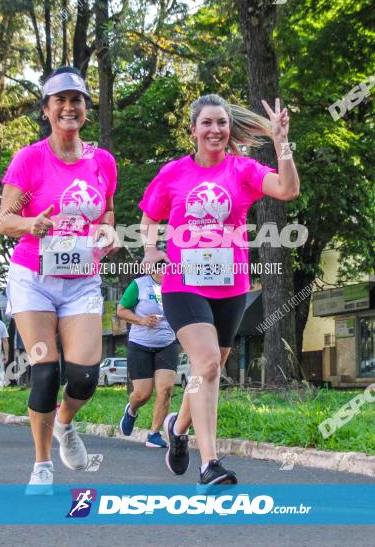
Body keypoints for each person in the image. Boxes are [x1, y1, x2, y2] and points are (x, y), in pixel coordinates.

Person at [138, 93, 299, 489]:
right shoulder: (173, 173)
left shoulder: (243, 169)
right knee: (208, 363)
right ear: (193, 129)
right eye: (207, 123)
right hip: (182, 282)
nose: (215, 130)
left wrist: (282, 144)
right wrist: (150, 249)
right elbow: (149, 216)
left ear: (230, 130)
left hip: (229, 285)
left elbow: (287, 189)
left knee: (207, 369)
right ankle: (209, 464)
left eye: (222, 123)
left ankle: (177, 427)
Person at [0, 66, 117, 495]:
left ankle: (66, 423)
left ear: (85, 108)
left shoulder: (102, 161)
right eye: (59, 101)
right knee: (45, 372)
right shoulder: (30, 158)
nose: (69, 107)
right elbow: (5, 220)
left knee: (85, 376)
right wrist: (34, 224)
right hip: (34, 277)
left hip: (82, 279)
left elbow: (106, 214)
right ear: (47, 110)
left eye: (77, 100)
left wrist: (107, 233)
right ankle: (42, 464)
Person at [116, 265, 178, 449]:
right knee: (142, 394)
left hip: (167, 343)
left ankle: (154, 434)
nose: (162, 271)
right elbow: (121, 310)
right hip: (140, 345)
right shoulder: (139, 285)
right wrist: (141, 320)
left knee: (166, 389)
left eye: (166, 267)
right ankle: (132, 410)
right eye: (158, 268)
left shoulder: (177, 285)